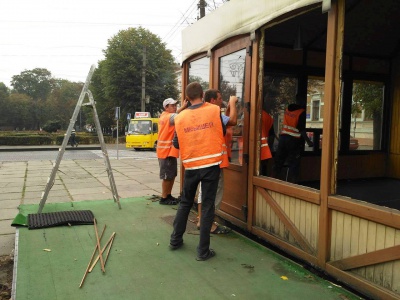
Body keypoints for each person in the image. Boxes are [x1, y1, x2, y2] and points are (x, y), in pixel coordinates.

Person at [169, 82, 227, 261]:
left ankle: (175, 240)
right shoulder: (213, 110)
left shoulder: (180, 117)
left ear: (186, 98)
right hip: (211, 164)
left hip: (191, 166)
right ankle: (203, 252)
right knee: (208, 205)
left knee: (185, 203)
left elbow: (176, 143)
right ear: (202, 94)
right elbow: (222, 130)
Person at [196, 89, 237, 234]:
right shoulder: (214, 113)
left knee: (203, 191)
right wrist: (233, 103)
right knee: (214, 193)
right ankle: (210, 224)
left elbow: (223, 124)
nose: (222, 100)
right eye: (220, 98)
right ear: (213, 100)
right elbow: (232, 121)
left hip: (201, 159)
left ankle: (201, 219)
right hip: (215, 161)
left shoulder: (200, 112)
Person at [272, 95, 313, 183]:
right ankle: (293, 185)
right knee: (294, 163)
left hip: (283, 139)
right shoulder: (301, 112)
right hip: (293, 141)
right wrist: (308, 141)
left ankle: (273, 181)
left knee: (279, 160)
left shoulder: (288, 109)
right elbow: (301, 129)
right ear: (302, 102)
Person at [156, 98, 188, 205]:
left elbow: (176, 114)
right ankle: (164, 198)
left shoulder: (164, 116)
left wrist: (182, 107)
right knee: (167, 176)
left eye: (175, 105)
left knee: (171, 175)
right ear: (166, 107)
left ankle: (168, 195)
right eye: (172, 105)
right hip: (166, 152)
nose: (175, 107)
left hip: (169, 151)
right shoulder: (169, 117)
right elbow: (180, 117)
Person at [260, 109, 275, 176]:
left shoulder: (251, 114)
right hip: (264, 149)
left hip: (256, 149)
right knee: (263, 172)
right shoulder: (267, 116)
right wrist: (270, 148)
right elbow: (272, 135)